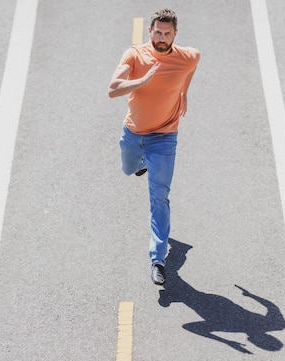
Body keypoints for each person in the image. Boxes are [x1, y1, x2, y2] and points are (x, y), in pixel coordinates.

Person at [108, 8, 200, 285]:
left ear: (175, 34)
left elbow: (192, 66)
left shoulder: (188, 57)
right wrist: (142, 80)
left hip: (164, 138)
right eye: (158, 32)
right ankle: (142, 164)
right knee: (128, 168)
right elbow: (113, 88)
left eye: (167, 33)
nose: (162, 37)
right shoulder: (135, 55)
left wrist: (184, 91)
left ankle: (158, 259)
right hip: (134, 135)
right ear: (150, 31)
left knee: (159, 198)